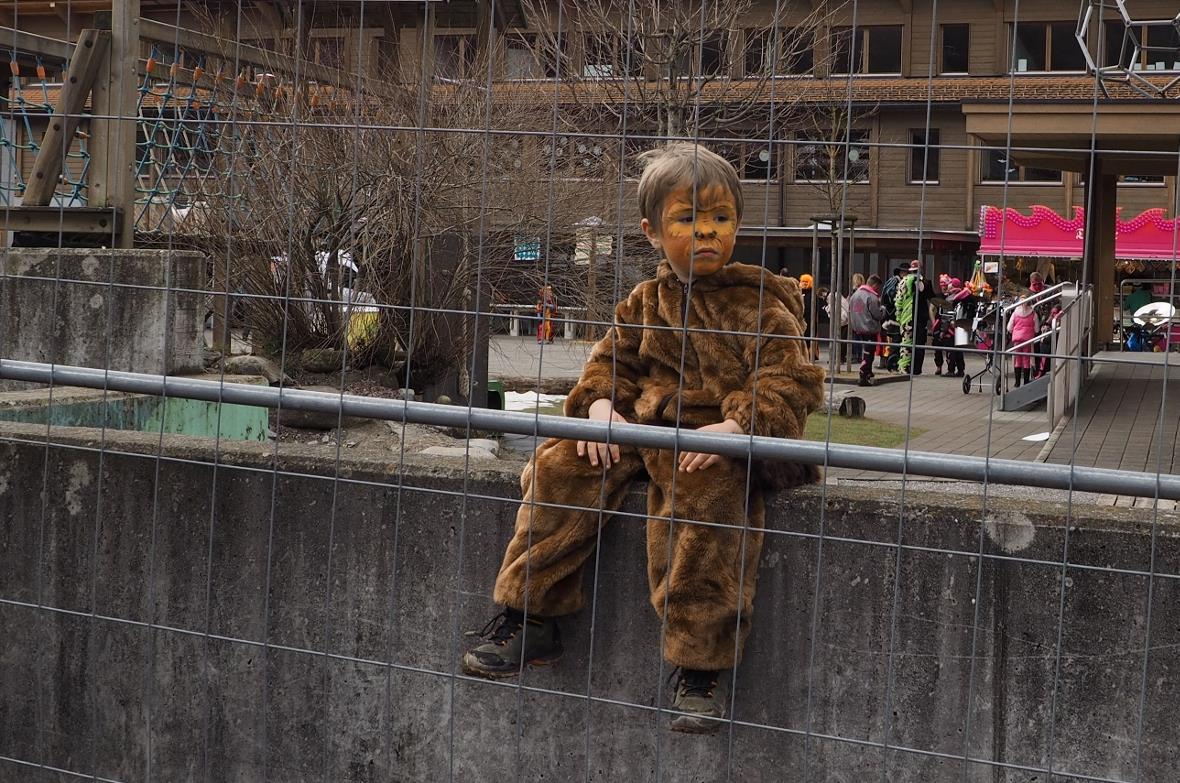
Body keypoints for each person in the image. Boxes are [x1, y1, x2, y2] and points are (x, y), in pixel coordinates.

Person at [461, 143, 825, 733]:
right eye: (687, 219)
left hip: (722, 437)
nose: (706, 231)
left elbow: (788, 381)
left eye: (721, 218)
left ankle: (699, 667)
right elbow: (608, 362)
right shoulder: (644, 301)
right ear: (652, 231)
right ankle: (532, 615)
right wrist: (602, 405)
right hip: (646, 429)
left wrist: (737, 429)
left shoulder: (761, 303)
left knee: (708, 504)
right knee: (561, 465)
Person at [848, 274, 885, 386]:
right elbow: (877, 314)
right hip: (869, 328)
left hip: (857, 327)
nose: (877, 289)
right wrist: (883, 309)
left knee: (865, 352)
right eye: (877, 287)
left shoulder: (855, 294)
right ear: (874, 285)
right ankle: (863, 376)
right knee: (869, 353)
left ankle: (867, 372)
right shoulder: (871, 297)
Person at [1007, 298, 1039, 387]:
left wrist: (1014, 331)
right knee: (1026, 360)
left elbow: (1009, 328)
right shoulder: (1033, 314)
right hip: (1028, 340)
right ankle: (1025, 381)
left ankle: (1017, 382)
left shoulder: (1015, 313)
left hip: (1017, 339)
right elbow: (1037, 329)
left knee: (1017, 359)